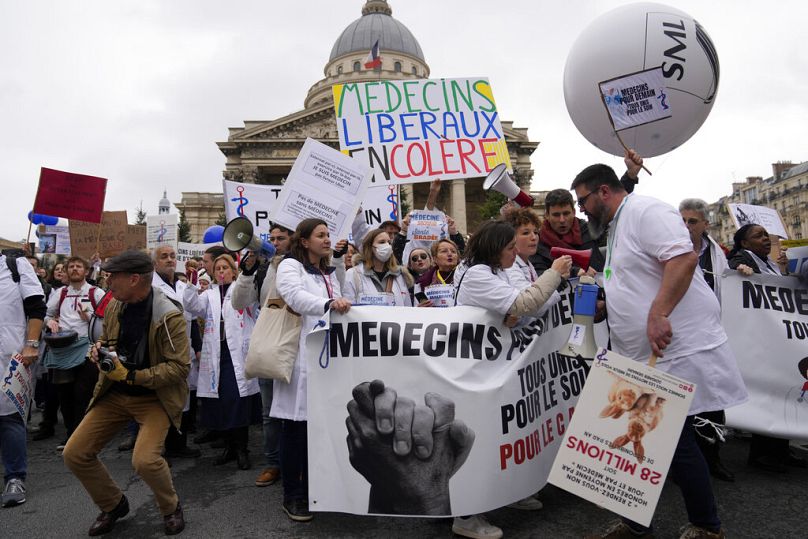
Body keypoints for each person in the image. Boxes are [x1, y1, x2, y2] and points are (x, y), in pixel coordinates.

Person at [571, 162, 747, 539]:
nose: (580, 209)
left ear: (604, 191)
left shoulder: (646, 211)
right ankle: (640, 523)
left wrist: (659, 312)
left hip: (671, 347)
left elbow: (682, 259)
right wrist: (609, 305)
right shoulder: (619, 225)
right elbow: (637, 278)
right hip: (644, 355)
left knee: (670, 439)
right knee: (645, 439)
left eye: (582, 200)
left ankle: (705, 527)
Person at [452, 220, 572, 539]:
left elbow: (516, 307)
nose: (514, 253)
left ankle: (506, 492)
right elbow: (524, 303)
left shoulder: (490, 271)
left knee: (501, 436)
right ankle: (465, 516)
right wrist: (555, 273)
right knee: (478, 441)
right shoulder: (477, 274)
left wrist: (508, 312)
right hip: (475, 370)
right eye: (509, 248)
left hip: (490, 366)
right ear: (495, 249)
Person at [62, 251, 188, 535]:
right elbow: (108, 341)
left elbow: (180, 368)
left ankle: (171, 507)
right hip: (115, 395)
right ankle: (113, 504)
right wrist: (100, 350)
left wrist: (132, 375)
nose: (107, 281)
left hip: (154, 398)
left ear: (133, 279)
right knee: (75, 453)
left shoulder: (169, 314)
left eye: (112, 276)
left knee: (144, 460)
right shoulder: (116, 306)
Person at [272, 218, 352, 522]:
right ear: (304, 241)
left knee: (322, 428)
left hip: (329, 358)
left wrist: (338, 279)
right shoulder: (290, 266)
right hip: (301, 359)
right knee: (295, 428)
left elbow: (344, 297)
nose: (328, 239)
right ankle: (293, 495)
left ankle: (320, 488)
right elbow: (294, 296)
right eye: (321, 235)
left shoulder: (326, 271)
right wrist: (329, 303)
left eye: (329, 234)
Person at [727, 224, 804, 473]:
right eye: (758, 236)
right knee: (770, 389)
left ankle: (779, 450)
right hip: (760, 340)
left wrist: (782, 269)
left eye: (765, 235)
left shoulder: (767, 261)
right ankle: (762, 455)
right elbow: (731, 268)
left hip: (776, 338)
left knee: (782, 388)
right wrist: (739, 268)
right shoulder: (741, 258)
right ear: (745, 244)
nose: (766, 239)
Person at [183, 254, 261, 470]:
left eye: (225, 267)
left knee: (237, 399)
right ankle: (229, 447)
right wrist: (190, 282)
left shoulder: (242, 289)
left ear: (233, 271)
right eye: (217, 268)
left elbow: (251, 300)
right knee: (221, 402)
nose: (221, 271)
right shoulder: (209, 294)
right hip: (217, 353)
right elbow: (192, 306)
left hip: (238, 353)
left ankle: (242, 449)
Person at [231, 222, 292, 488]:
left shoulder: (301, 266)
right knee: (270, 413)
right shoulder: (263, 267)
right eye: (272, 238)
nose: (275, 242)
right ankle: (273, 463)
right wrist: (247, 271)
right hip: (269, 347)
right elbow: (239, 303)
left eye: (281, 238)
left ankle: (297, 461)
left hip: (295, 347)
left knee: (297, 410)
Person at [678, 198, 733, 482]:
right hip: (681, 336)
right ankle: (682, 465)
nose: (686, 226)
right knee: (682, 402)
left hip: (710, 335)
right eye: (683, 220)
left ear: (705, 224)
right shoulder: (672, 249)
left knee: (713, 399)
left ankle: (713, 458)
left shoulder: (717, 253)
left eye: (693, 221)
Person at [531, 150, 643, 276]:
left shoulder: (589, 229)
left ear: (574, 212)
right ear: (547, 215)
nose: (562, 220)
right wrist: (575, 272)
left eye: (566, 213)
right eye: (556, 215)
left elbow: (611, 202)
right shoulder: (537, 243)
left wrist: (630, 176)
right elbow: (539, 274)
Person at [42, 256, 107, 450]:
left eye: (79, 266)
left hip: (86, 349)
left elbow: (107, 320)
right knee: (65, 394)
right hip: (63, 349)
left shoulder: (96, 292)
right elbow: (45, 314)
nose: (74, 269)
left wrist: (89, 318)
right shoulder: (60, 292)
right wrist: (50, 322)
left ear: (86, 271)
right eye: (71, 266)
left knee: (83, 393)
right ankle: (71, 437)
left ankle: (83, 438)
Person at [0, 253, 45, 508]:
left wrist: (31, 344)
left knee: (9, 418)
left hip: (10, 356)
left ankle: (15, 477)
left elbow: (36, 306)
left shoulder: (15, 266)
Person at [151, 245, 201, 459]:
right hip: (162, 350)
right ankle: (156, 450)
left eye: (172, 256)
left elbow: (193, 315)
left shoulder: (182, 286)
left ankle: (178, 445)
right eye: (164, 257)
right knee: (162, 400)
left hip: (184, 348)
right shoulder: (151, 286)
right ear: (155, 262)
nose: (170, 260)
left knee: (183, 398)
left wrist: (197, 347)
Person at [344, 229, 413, 306]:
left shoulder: (399, 276)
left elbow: (407, 308)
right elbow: (349, 309)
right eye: (382, 242)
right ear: (370, 247)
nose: (387, 246)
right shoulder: (353, 274)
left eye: (389, 243)